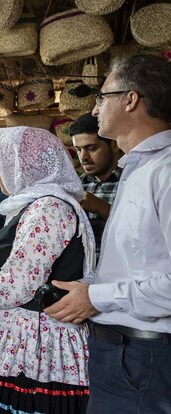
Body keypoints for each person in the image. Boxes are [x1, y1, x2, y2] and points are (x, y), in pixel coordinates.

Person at [0, 126, 95, 413]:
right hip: (20, 341)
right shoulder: (34, 205)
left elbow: (19, 283)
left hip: (33, 349)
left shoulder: (48, 208)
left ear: (24, 164)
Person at [46, 53, 171, 414]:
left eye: (102, 97)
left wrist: (99, 297)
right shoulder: (137, 169)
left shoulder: (164, 171)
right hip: (118, 351)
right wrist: (89, 288)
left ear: (131, 99)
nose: (96, 107)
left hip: (145, 356)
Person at [70, 113, 123, 258]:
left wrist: (102, 208)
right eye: (78, 150)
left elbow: (146, 231)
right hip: (80, 277)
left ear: (114, 145)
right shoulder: (75, 186)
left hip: (123, 276)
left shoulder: (133, 181)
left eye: (91, 148)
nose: (83, 157)